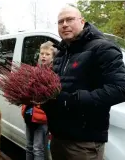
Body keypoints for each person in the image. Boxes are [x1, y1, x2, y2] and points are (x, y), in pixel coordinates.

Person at [42, 5, 125, 160]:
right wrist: (43, 101)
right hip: (58, 137)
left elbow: (120, 89)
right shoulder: (61, 53)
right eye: (61, 22)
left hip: (84, 143)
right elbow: (58, 89)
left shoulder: (103, 48)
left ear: (82, 21)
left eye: (70, 19)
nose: (64, 24)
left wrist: (73, 99)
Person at [21, 41, 57, 160]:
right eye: (42, 53)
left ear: (53, 57)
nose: (43, 56)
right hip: (29, 114)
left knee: (38, 148)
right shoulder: (34, 71)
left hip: (41, 118)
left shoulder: (54, 73)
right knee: (29, 146)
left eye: (47, 54)